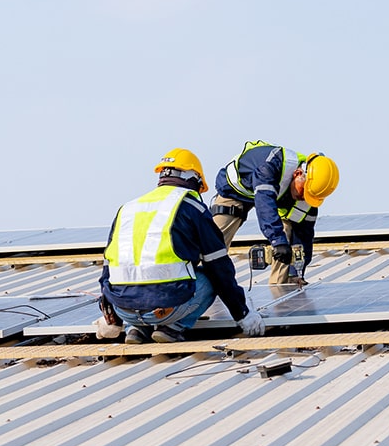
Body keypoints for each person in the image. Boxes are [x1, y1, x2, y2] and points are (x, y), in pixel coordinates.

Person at [97, 148, 265, 343]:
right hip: (166, 312)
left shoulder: (127, 209)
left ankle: (136, 329)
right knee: (211, 277)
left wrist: (112, 317)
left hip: (123, 310)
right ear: (194, 179)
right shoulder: (191, 207)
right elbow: (219, 267)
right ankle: (172, 328)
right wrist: (242, 313)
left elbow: (108, 269)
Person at [210, 141, 339, 285]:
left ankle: (282, 289)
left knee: (289, 235)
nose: (304, 198)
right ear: (298, 174)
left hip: (273, 193)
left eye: (310, 196)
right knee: (213, 244)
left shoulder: (308, 194)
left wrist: (296, 271)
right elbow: (265, 206)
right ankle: (207, 290)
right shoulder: (270, 166)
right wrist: (278, 241)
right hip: (236, 192)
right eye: (304, 192)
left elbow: (304, 238)